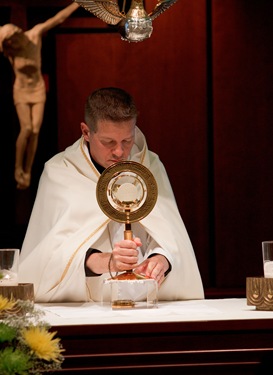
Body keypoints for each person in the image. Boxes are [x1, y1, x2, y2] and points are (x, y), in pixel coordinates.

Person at [19, 87, 204, 303]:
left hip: (144, 303)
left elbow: (172, 237)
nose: (119, 152)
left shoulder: (150, 167)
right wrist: (103, 261)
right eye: (109, 142)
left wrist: (162, 258)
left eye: (127, 140)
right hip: (84, 307)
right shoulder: (60, 172)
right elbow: (44, 258)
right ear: (86, 132)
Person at [0, 2, 79, 189]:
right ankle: (17, 168)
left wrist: (77, 3)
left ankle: (26, 171)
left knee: (35, 131)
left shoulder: (34, 35)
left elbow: (58, 19)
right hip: (20, 91)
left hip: (37, 90)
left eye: (13, 38)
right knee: (26, 129)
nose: (13, 43)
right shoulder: (11, 52)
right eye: (9, 42)